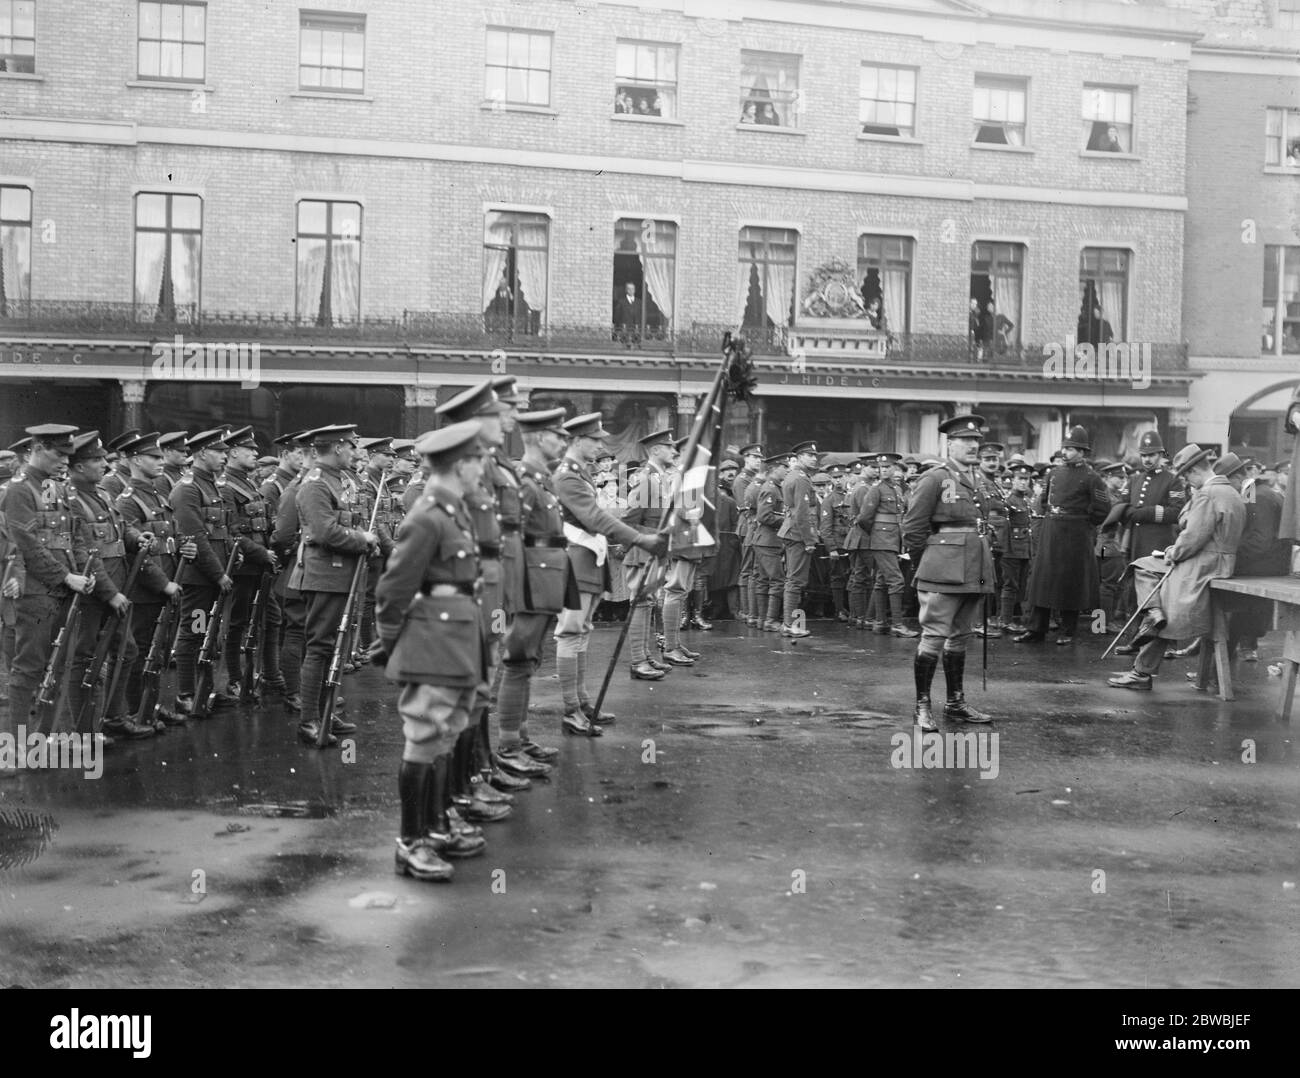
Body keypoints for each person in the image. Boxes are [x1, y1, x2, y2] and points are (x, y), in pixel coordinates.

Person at [375, 420, 490, 882]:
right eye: (478, 460)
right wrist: (395, 649)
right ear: (460, 464)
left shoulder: (453, 511)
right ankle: (411, 841)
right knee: (424, 736)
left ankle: (436, 827)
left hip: (460, 635)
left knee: (448, 731)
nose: (483, 467)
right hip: (433, 640)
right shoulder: (426, 516)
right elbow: (393, 591)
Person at [553, 413, 666, 735]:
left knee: (582, 631)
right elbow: (593, 518)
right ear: (577, 440)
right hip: (577, 558)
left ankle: (582, 702)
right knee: (571, 632)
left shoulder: (581, 473)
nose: (600, 445)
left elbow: (600, 515)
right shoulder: (567, 476)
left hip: (589, 557)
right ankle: (571, 709)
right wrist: (640, 538)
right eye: (595, 440)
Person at [1108, 445, 1246, 692]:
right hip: (1221, 562)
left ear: (1194, 471)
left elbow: (1193, 537)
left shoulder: (1207, 494)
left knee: (1149, 580)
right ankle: (1153, 618)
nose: (1186, 481)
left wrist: (1172, 552)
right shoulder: (1231, 492)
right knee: (1150, 579)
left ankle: (1143, 664)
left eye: (1186, 476)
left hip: (1202, 564)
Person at [900, 414, 999, 731]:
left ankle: (955, 702)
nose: (973, 446)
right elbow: (913, 529)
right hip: (942, 569)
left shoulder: (977, 479)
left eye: (976, 441)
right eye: (966, 440)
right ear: (950, 443)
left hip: (973, 568)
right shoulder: (934, 478)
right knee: (933, 638)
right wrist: (928, 564)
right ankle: (922, 706)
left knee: (960, 637)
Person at [0, 425, 94, 747]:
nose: (65, 461)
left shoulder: (58, 488)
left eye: (68, 455)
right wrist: (66, 576)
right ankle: (16, 743)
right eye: (58, 453)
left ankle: (45, 738)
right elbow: (26, 544)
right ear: (38, 448)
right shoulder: (19, 489)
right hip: (38, 592)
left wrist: (82, 571)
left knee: (61, 664)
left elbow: (74, 535)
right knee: (28, 667)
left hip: (67, 589)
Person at [291, 424, 375, 746]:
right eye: (352, 446)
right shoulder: (315, 484)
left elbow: (348, 523)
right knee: (319, 647)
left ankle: (326, 710)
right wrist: (361, 539)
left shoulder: (339, 481)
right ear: (338, 448)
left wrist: (367, 541)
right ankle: (309, 719)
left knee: (335, 648)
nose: (355, 452)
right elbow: (326, 533)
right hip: (325, 576)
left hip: (343, 576)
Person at [496, 408, 568, 763]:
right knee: (518, 660)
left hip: (542, 581)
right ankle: (508, 744)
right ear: (540, 438)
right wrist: (515, 593)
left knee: (528, 661)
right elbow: (510, 539)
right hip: (528, 584)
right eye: (559, 435)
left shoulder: (541, 478)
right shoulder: (525, 479)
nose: (564, 441)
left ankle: (519, 737)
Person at [114, 432, 194, 730]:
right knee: (142, 651)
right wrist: (163, 584)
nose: (161, 462)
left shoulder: (158, 495)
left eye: (161, 457)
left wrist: (186, 546)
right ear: (135, 460)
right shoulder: (127, 501)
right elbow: (138, 554)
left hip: (167, 582)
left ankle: (153, 704)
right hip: (146, 589)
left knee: (157, 650)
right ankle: (138, 710)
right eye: (154, 457)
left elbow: (169, 536)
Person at [1013, 426, 1110, 645]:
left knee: (1070, 583)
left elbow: (1102, 509)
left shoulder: (1092, 478)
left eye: (1071, 449)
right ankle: (1036, 629)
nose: (1065, 453)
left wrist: (1082, 524)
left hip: (1076, 535)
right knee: (1043, 581)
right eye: (1065, 448)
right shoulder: (1053, 474)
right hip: (1051, 530)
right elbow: (1045, 501)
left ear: (1082, 452)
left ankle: (1068, 630)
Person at [170, 428, 238, 718]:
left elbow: (222, 531)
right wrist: (218, 574)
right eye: (219, 451)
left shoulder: (210, 485)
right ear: (200, 454)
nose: (225, 456)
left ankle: (206, 689)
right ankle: (187, 693)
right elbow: (195, 537)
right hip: (200, 577)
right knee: (194, 633)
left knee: (208, 635)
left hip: (215, 574)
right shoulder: (188, 488)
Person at [1110, 430, 1186, 655]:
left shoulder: (1172, 480)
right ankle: (1134, 640)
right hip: (1136, 543)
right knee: (1135, 593)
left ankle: (1169, 644)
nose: (1147, 459)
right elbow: (1121, 507)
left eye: (1152, 454)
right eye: (1144, 455)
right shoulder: (1133, 480)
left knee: (1161, 595)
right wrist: (1129, 513)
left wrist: (1143, 513)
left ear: (1161, 454)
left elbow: (1177, 512)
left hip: (1160, 545)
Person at [1215, 453, 1290, 665]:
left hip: (1266, 566)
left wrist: (1232, 554)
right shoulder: (1253, 490)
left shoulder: (1258, 494)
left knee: (1222, 604)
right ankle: (1218, 665)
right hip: (1266, 562)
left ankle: (1217, 664)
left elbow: (1260, 540)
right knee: (1234, 613)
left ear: (1240, 478)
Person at [220, 426, 278, 700]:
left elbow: (261, 523)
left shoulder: (249, 483)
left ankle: (266, 673)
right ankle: (235, 678)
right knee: (238, 623)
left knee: (266, 620)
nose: (256, 453)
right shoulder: (226, 486)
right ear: (233, 453)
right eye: (250, 450)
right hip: (243, 565)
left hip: (261, 565)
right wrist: (261, 552)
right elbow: (232, 532)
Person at [623, 428, 675, 679]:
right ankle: (637, 660)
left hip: (654, 551)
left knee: (648, 603)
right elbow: (629, 520)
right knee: (640, 604)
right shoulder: (646, 479)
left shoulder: (660, 478)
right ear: (655, 450)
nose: (674, 451)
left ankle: (645, 656)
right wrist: (652, 539)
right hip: (643, 551)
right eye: (669, 446)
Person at [859, 452, 918, 637]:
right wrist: (877, 534)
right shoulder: (875, 490)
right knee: (896, 580)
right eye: (881, 468)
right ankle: (898, 624)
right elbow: (864, 518)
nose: (884, 470)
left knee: (882, 581)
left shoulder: (896, 489)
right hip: (882, 539)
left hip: (892, 539)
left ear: (895, 469)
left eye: (887, 467)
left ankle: (880, 622)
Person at [778, 440, 819, 638]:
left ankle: (790, 622)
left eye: (814, 455)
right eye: (809, 455)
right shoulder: (801, 478)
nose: (813, 458)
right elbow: (802, 513)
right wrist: (809, 540)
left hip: (792, 531)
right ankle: (790, 624)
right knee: (795, 580)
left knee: (793, 579)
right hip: (798, 533)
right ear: (799, 457)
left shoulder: (793, 475)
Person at [752, 452, 790, 632]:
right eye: (784, 467)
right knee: (777, 580)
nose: (787, 470)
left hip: (765, 540)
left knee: (762, 579)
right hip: (768, 541)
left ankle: (761, 619)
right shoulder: (770, 488)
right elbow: (764, 516)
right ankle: (770, 620)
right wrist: (787, 520)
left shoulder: (775, 487)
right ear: (774, 468)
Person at [999, 463, 1036, 632]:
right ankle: (1005, 620)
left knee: (1021, 586)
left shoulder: (1025, 501)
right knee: (1010, 585)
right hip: (1011, 550)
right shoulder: (1008, 501)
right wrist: (1005, 549)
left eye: (1026, 479)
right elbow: (1003, 528)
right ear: (1013, 480)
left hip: (1024, 550)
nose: (1023, 482)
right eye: (1020, 479)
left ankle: (1020, 618)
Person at [732, 443, 764, 624]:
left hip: (754, 527)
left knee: (753, 568)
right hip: (748, 527)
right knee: (747, 568)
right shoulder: (742, 480)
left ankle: (751, 609)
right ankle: (745, 610)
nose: (758, 461)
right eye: (754, 457)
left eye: (760, 458)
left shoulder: (754, 478)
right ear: (746, 458)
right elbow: (746, 508)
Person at [613, 281, 642, 346]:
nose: (631, 291)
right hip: (624, 331)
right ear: (626, 290)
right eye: (629, 289)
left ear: (635, 290)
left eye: (633, 289)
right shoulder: (621, 302)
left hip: (636, 331)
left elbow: (642, 316)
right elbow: (616, 317)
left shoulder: (639, 302)